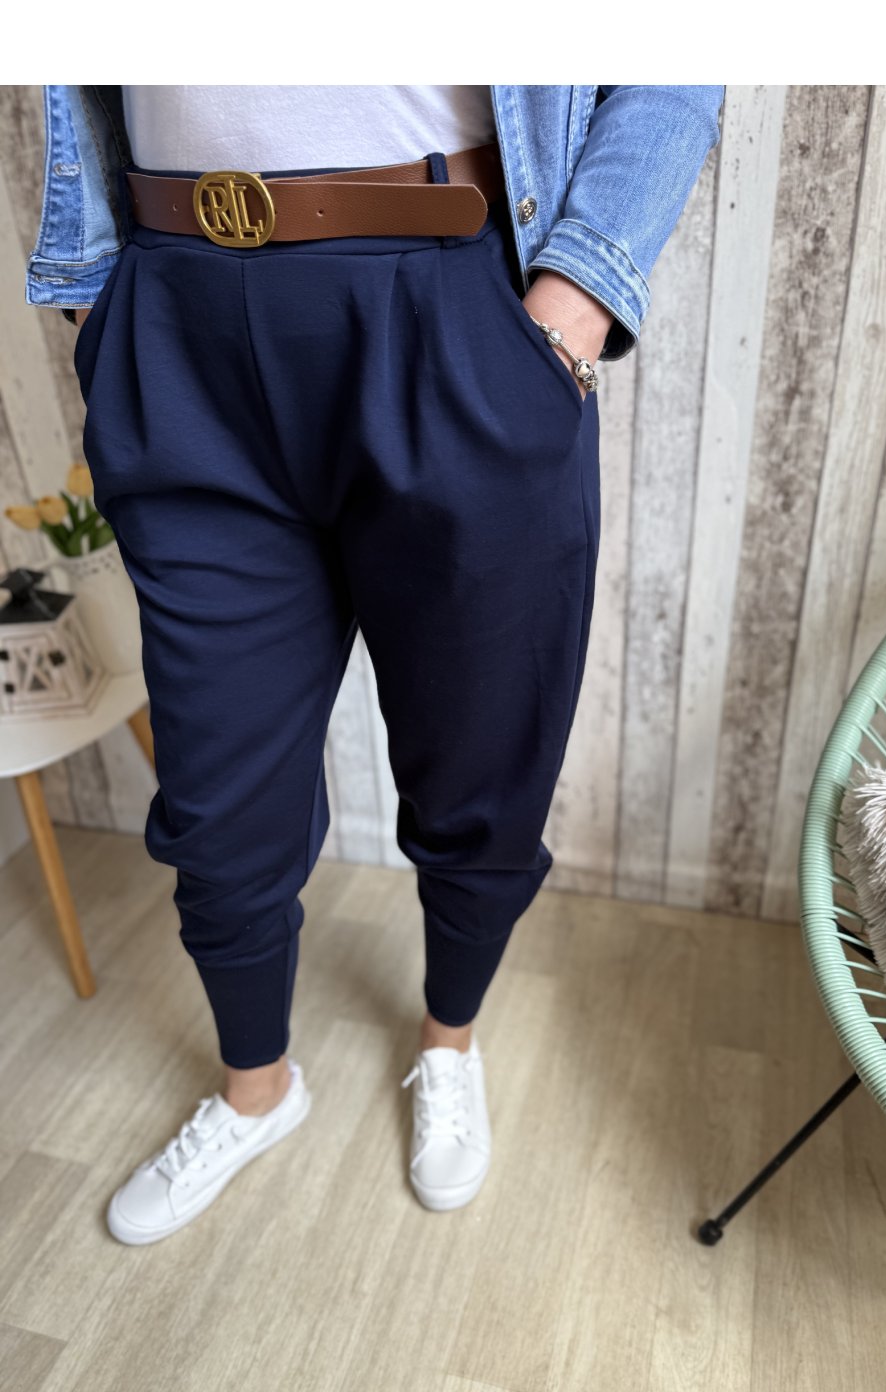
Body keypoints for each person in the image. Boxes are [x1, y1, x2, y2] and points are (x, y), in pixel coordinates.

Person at [25, 84, 723, 1244]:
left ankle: (448, 1042)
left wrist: (573, 304)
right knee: (216, 798)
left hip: (449, 301)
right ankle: (258, 1090)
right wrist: (104, 309)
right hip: (177, 313)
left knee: (479, 767)